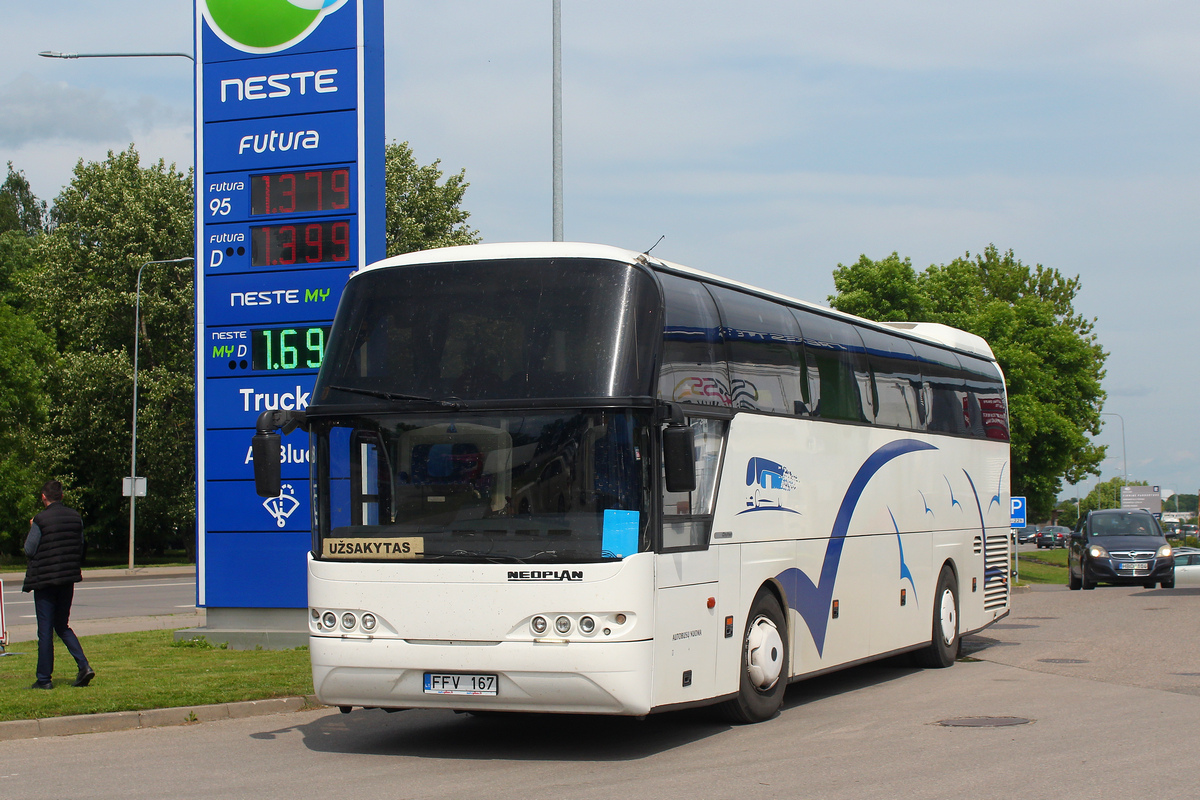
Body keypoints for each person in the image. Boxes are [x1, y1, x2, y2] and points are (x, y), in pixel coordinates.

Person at [22, 480, 95, 689]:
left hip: (45, 580)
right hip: (67, 578)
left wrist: (32, 527)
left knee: (45, 630)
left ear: (44, 497)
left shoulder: (40, 520)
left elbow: (29, 549)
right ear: (62, 496)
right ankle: (84, 666)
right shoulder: (75, 517)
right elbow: (79, 545)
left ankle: (44, 679)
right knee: (62, 625)